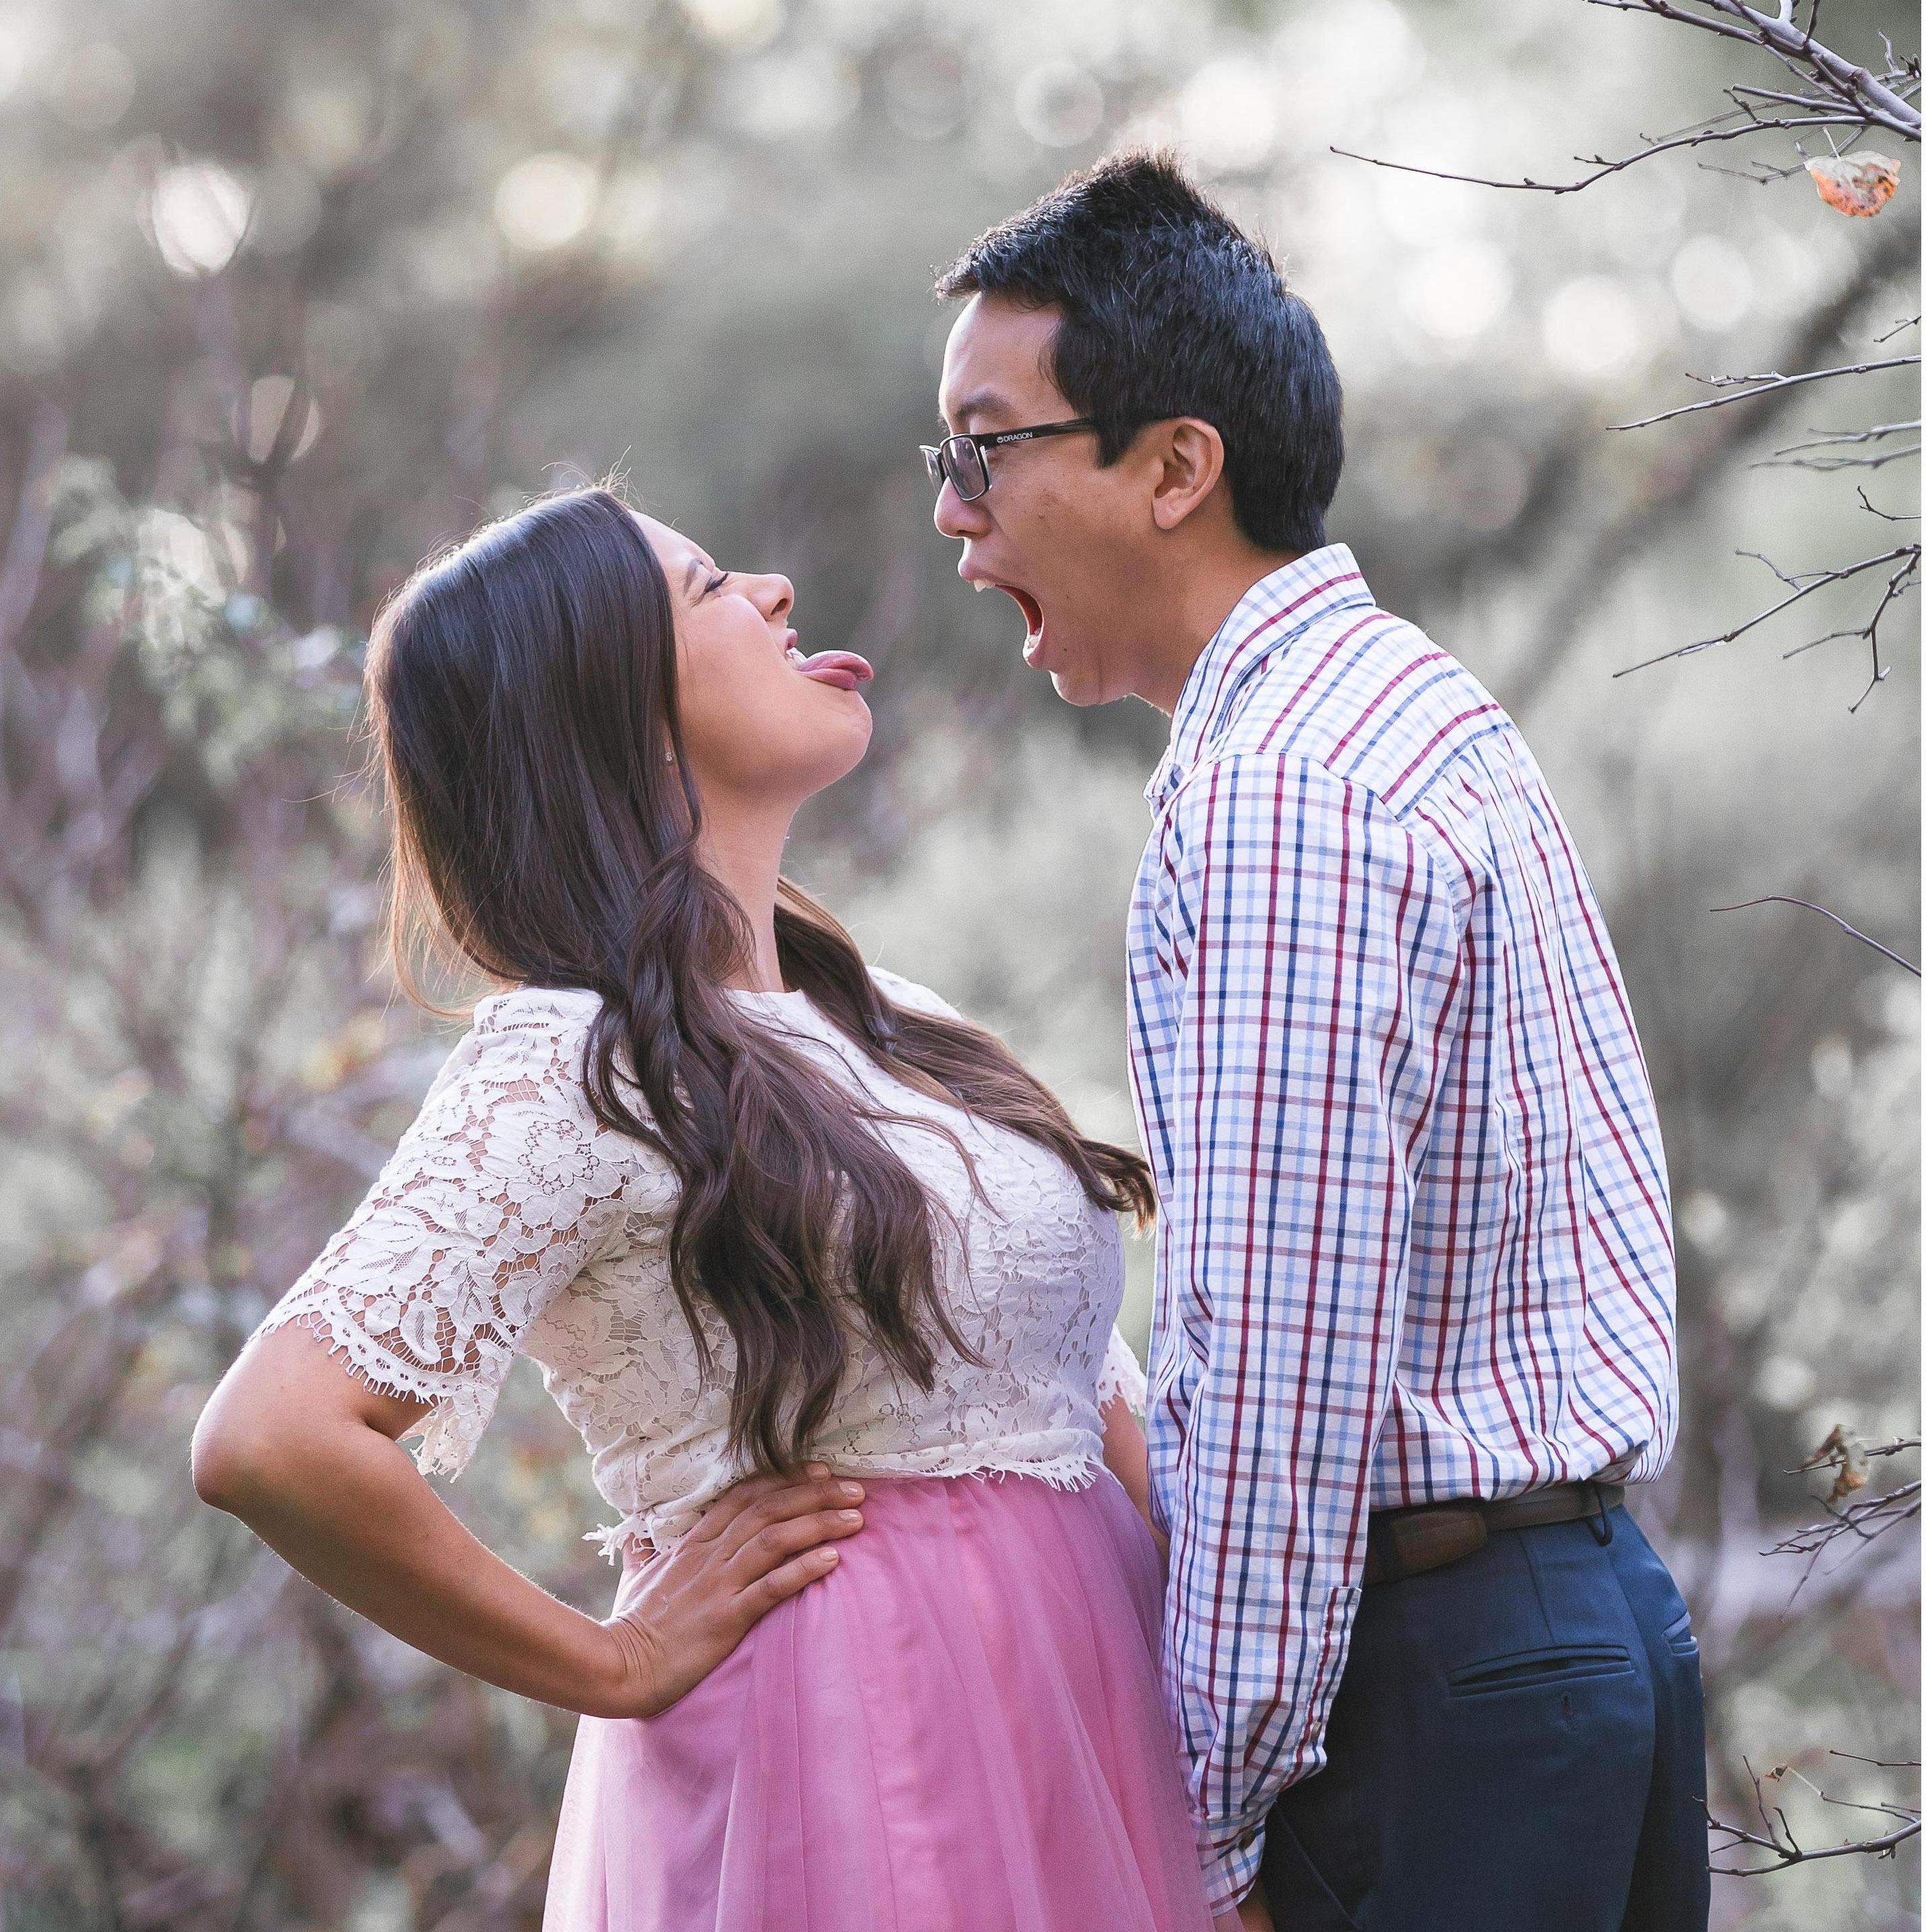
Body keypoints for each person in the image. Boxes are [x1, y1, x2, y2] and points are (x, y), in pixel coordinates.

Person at [192, 486, 1220, 1931]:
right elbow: (271, 1439)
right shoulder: (578, 1062)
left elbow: (1067, 1383)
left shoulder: (889, 1020)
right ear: (612, 712)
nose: (778, 588)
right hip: (847, 1761)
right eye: (707, 588)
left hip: (1092, 1743)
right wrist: (609, 1663)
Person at [928, 151, 1708, 1932]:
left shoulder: (1279, 794)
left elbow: (1284, 1359)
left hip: (1435, 1694)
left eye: (986, 449)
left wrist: (1216, 1828)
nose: (955, 518)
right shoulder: (1403, 703)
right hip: (1568, 1632)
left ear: (1173, 468)